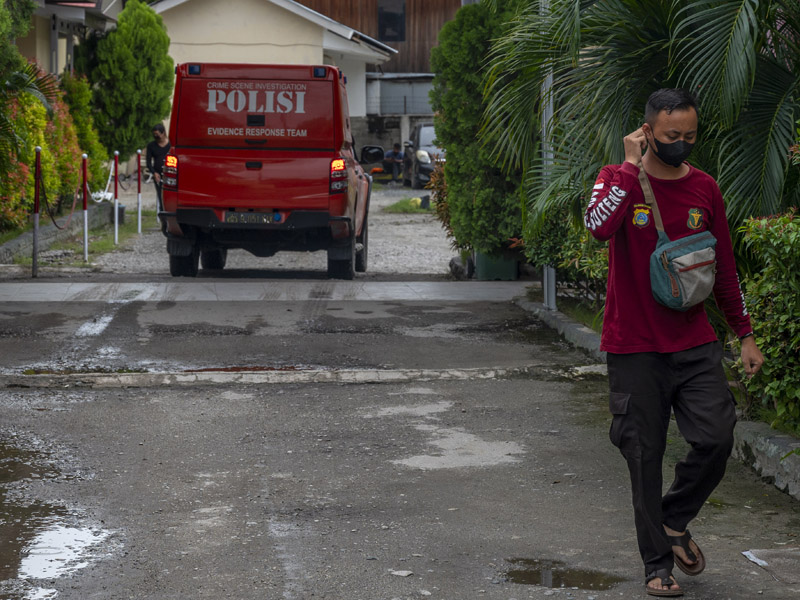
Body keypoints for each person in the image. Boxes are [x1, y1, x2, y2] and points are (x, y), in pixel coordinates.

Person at [585, 88, 764, 597]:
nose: (681, 143)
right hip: (634, 345)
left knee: (716, 436)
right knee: (643, 453)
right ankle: (656, 566)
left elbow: (725, 268)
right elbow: (599, 229)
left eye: (689, 135)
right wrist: (626, 167)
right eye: (670, 136)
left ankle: (673, 519)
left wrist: (744, 334)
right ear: (647, 133)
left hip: (693, 341)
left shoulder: (705, 188)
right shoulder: (615, 180)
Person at [146, 123, 171, 211]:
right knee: (161, 198)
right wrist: (154, 173)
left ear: (163, 133)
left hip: (170, 174)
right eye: (154, 135)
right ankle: (163, 221)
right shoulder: (151, 146)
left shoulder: (171, 144)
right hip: (158, 175)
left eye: (157, 135)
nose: (156, 137)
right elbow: (148, 162)